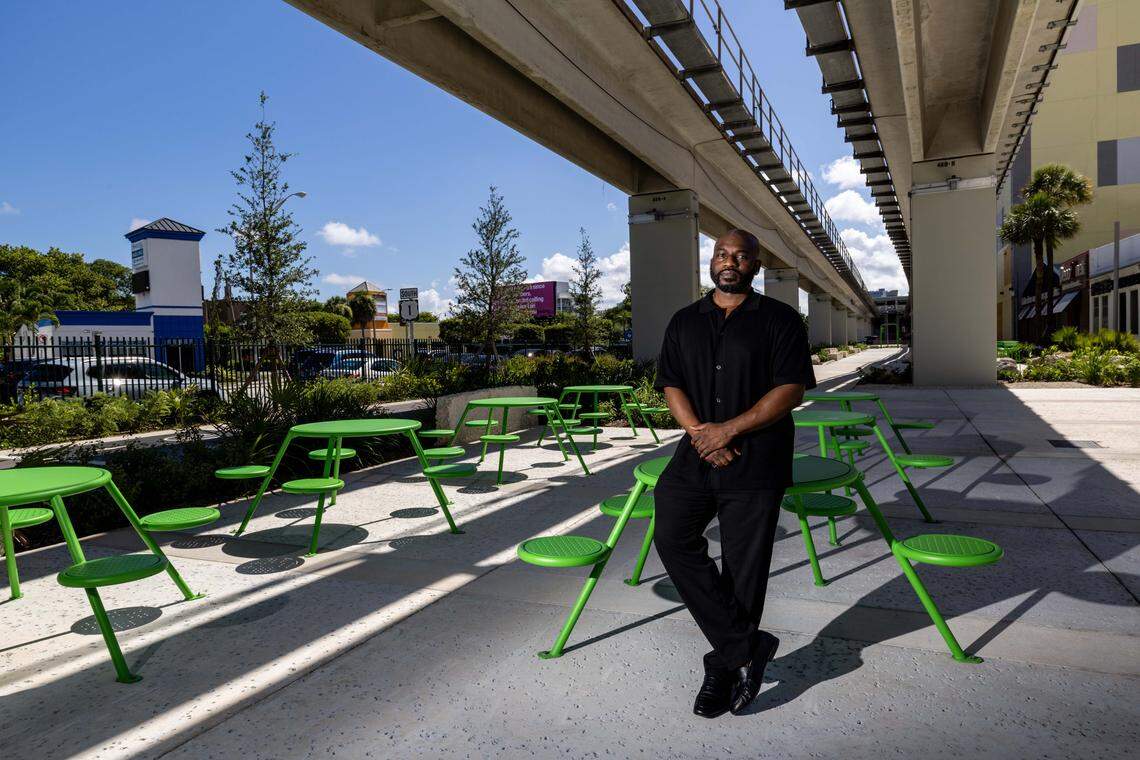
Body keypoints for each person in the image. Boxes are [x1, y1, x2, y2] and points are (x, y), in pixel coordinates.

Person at [653, 229, 816, 718]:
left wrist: (730, 431)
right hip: (696, 454)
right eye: (723, 254)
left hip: (757, 458)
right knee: (673, 536)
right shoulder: (684, 321)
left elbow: (791, 390)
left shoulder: (781, 320)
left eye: (741, 256)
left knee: (744, 569)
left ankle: (723, 667)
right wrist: (704, 434)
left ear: (755, 265)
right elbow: (671, 384)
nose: (731, 262)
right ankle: (746, 647)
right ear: (713, 260)